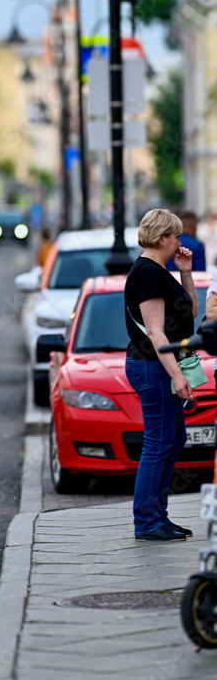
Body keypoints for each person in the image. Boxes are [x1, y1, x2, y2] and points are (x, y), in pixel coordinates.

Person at [124, 208, 197, 542]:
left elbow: (191, 313)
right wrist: (177, 376)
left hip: (157, 365)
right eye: (176, 236)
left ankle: (157, 516)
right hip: (152, 366)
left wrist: (186, 273)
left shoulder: (160, 271)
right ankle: (147, 521)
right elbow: (156, 334)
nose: (180, 242)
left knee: (172, 439)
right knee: (158, 443)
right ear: (162, 237)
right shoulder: (148, 274)